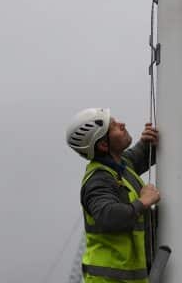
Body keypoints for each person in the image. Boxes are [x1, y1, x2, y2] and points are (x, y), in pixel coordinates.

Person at [66, 108, 160, 282]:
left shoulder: (121, 165)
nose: (122, 125)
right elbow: (109, 216)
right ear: (103, 145)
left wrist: (147, 142)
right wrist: (143, 202)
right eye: (114, 126)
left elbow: (140, 156)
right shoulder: (98, 180)